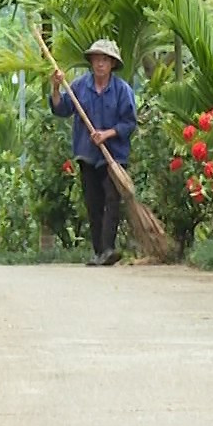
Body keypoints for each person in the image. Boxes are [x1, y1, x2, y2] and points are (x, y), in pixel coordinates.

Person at [49, 39, 137, 266]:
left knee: (112, 199)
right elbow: (61, 109)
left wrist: (107, 134)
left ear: (112, 64)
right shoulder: (79, 87)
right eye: (97, 59)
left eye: (105, 60)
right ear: (91, 62)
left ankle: (108, 248)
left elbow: (129, 123)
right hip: (87, 153)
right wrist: (56, 88)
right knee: (93, 202)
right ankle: (99, 251)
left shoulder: (122, 91)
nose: (100, 64)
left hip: (114, 156)